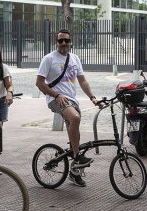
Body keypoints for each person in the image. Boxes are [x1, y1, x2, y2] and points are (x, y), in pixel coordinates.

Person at [36, 29, 101, 187]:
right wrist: (56, 95)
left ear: (71, 42)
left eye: (66, 40)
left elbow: (83, 81)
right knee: (75, 118)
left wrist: (92, 97)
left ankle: (74, 172)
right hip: (55, 99)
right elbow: (39, 83)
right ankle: (77, 157)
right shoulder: (49, 59)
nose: (63, 43)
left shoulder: (75, 58)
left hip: (72, 101)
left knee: (75, 134)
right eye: (60, 41)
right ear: (56, 42)